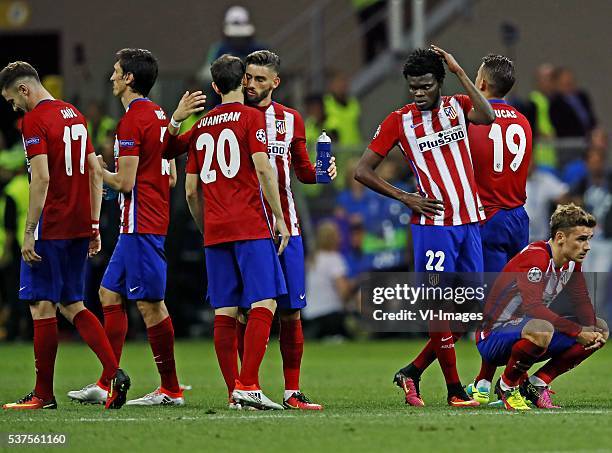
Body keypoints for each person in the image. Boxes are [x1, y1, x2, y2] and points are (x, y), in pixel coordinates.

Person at [354, 46, 495, 407]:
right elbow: (362, 170)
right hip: (433, 225)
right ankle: (454, 390)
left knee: (466, 313)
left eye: (426, 85)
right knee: (439, 308)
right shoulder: (397, 121)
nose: (418, 93)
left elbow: (489, 115)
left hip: (469, 220)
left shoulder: (457, 106)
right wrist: (405, 197)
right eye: (413, 86)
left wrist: (460, 68)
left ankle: (412, 372)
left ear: (440, 83)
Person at [0, 61, 129, 410]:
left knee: (41, 305)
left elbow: (40, 178)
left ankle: (43, 395)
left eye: (13, 100)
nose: (15, 107)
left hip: (51, 226)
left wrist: (29, 232)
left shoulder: (34, 121)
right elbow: (94, 170)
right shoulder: (74, 114)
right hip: (76, 225)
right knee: (72, 304)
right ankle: (114, 374)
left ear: (24, 89)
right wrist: (93, 224)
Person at [167, 54, 290, 410]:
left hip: (215, 230)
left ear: (215, 87)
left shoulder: (202, 125)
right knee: (264, 300)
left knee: (224, 309)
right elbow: (264, 170)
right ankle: (249, 384)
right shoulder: (252, 118)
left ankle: (233, 392)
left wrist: (205, 226)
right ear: (244, 83)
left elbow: (189, 189)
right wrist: (280, 218)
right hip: (250, 224)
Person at [66, 49, 181, 407]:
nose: (112, 77)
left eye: (116, 71)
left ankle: (171, 389)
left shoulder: (132, 121)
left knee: (151, 306)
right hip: (142, 222)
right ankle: (107, 379)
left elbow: (127, 183)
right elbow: (172, 175)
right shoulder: (158, 115)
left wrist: (98, 169)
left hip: (141, 223)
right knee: (108, 295)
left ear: (129, 78)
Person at [243, 50, 339, 410]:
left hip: (289, 229)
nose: (252, 85)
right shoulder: (236, 117)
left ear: (275, 83)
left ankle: (291, 391)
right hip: (248, 227)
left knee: (291, 312)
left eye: (260, 79)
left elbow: (301, 169)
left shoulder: (291, 119)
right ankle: (241, 387)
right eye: (248, 78)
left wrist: (321, 173)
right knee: (243, 310)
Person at [476, 204, 608, 410]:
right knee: (542, 327)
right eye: (581, 239)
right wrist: (577, 331)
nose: (587, 246)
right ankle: (507, 386)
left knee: (599, 328)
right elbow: (534, 308)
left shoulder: (571, 263)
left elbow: (581, 299)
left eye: (588, 239)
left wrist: (589, 330)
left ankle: (537, 384)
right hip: (493, 335)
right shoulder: (536, 258)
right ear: (561, 237)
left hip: (528, 330)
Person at [462, 54, 533, 403]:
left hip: (488, 218)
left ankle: (490, 382)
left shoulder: (474, 120)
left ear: (483, 84)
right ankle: (491, 379)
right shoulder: (523, 121)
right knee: (513, 301)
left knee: (492, 305)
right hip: (518, 217)